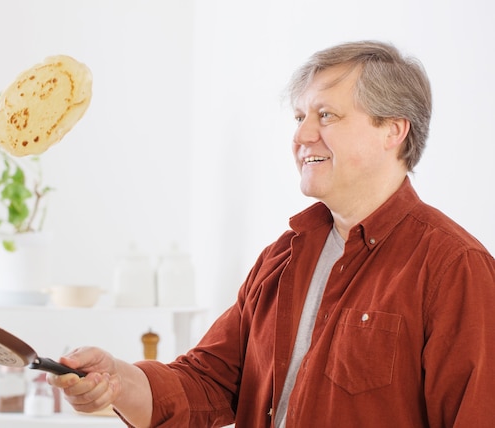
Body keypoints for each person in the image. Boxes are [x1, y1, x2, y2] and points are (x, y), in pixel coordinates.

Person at [47, 40, 495, 427]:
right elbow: (208, 383)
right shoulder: (283, 258)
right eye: (300, 115)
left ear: (393, 130)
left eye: (326, 115)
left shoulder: (454, 268)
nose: (302, 134)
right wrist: (118, 381)